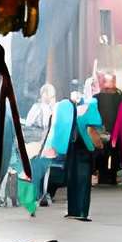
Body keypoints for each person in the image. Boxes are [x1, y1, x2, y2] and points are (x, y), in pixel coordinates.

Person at [46, 85, 99, 221]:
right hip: (84, 149)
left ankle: (73, 210)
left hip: (71, 148)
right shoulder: (90, 107)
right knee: (83, 182)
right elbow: (91, 131)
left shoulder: (63, 108)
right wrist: (98, 146)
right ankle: (81, 212)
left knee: (73, 180)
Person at [93, 72, 122, 186]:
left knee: (104, 154)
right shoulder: (119, 97)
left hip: (105, 129)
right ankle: (110, 178)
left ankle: (104, 177)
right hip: (113, 130)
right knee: (113, 155)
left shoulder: (97, 97)